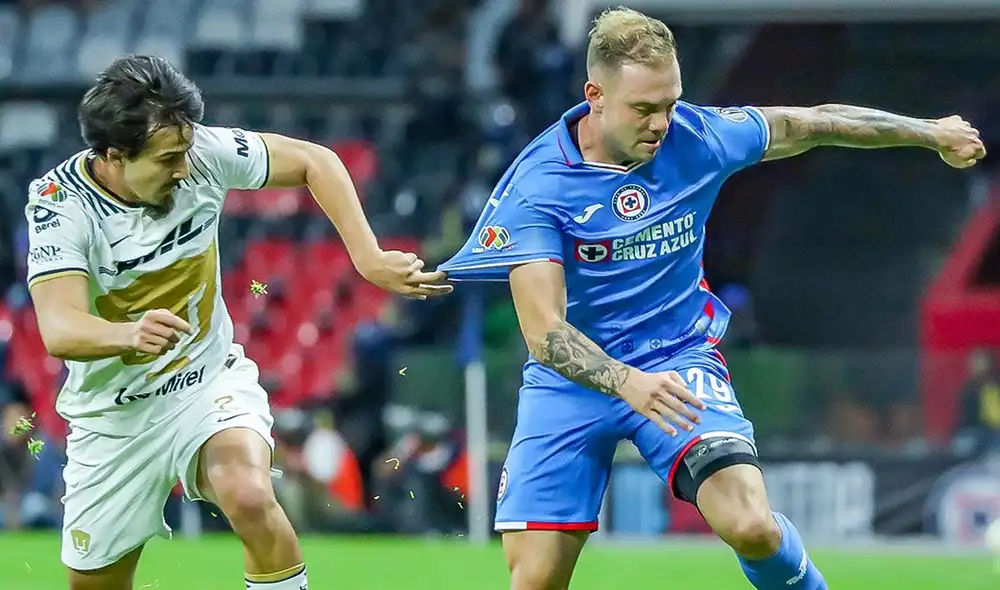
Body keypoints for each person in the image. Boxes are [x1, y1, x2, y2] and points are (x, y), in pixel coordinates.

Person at [439, 7, 986, 590]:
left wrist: (929, 133)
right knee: (535, 582)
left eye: (671, 103)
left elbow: (816, 122)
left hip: (677, 361)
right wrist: (627, 382)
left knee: (752, 524)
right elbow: (544, 333)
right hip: (571, 382)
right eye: (644, 109)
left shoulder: (698, 137)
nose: (661, 123)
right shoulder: (539, 187)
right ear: (595, 95)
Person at [24, 55, 450, 590]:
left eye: (185, 150)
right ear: (113, 156)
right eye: (167, 159)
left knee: (249, 493)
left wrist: (367, 256)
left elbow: (316, 160)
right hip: (115, 415)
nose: (184, 168)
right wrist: (126, 334)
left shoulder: (199, 151)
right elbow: (59, 328)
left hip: (205, 381)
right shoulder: (59, 205)